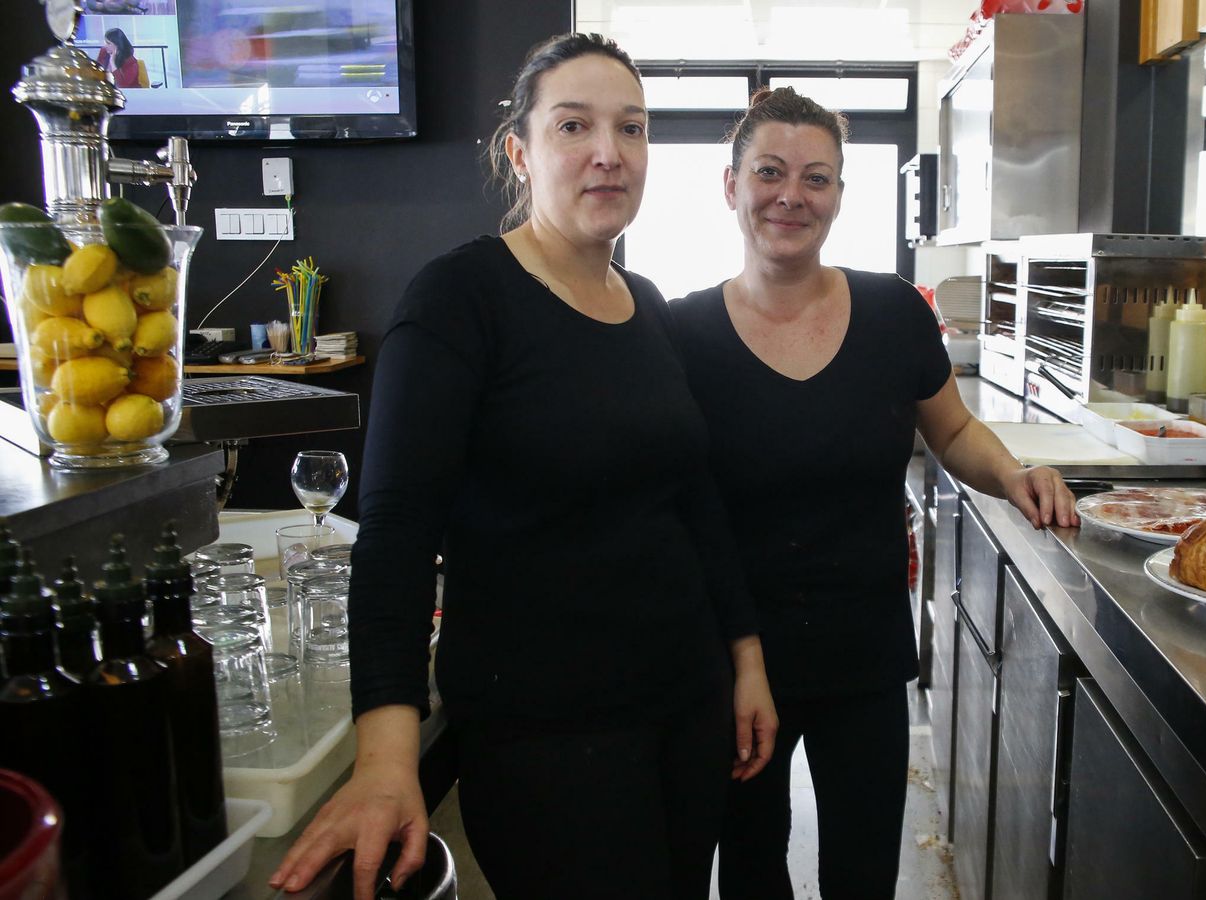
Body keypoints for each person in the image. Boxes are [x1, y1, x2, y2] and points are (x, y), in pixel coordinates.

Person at [267, 34, 777, 900]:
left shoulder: (645, 303)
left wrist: (747, 657)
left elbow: (693, 499)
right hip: (543, 732)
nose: (609, 153)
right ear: (520, 151)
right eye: (574, 126)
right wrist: (386, 757)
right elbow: (394, 535)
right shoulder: (460, 300)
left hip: (684, 707)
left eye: (632, 128)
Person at [670, 87, 1079, 899]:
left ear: (840, 197)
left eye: (816, 177)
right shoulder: (682, 335)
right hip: (737, 661)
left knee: (862, 872)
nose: (792, 195)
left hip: (863, 649)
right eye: (770, 172)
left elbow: (954, 432)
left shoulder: (893, 310)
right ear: (730, 184)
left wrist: (1015, 473)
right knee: (751, 871)